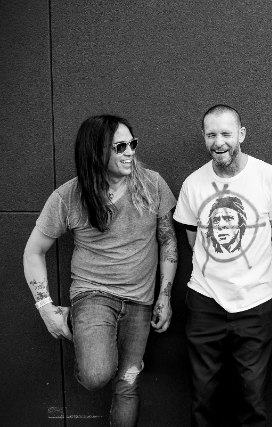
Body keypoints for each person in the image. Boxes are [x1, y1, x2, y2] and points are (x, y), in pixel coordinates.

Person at [23, 114, 178, 427]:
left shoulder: (153, 184)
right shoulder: (69, 196)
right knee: (96, 375)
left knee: (128, 383)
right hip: (93, 294)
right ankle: (79, 326)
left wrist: (165, 295)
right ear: (96, 151)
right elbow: (33, 252)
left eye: (132, 144)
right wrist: (46, 309)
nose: (130, 152)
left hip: (141, 301)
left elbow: (168, 241)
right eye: (120, 147)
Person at [174, 104, 272, 427]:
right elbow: (193, 238)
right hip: (205, 302)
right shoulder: (193, 184)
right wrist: (222, 265)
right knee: (203, 399)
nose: (219, 142)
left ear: (241, 134)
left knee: (252, 400)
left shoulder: (269, 177)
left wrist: (253, 269)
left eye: (226, 133)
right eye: (211, 134)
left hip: (255, 302)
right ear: (203, 137)